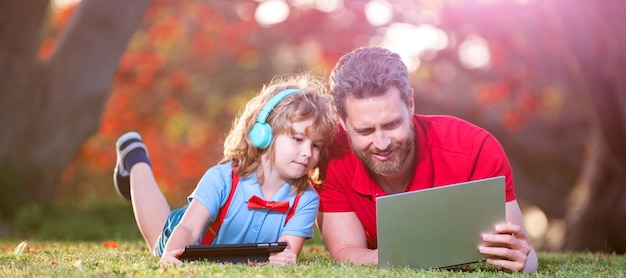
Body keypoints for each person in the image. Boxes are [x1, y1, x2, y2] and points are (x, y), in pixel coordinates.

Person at [315, 47, 538, 273]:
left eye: (392, 124)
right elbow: (346, 250)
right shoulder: (332, 157)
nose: (382, 144)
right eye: (364, 131)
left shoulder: (475, 148)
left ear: (411, 103)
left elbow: (520, 253)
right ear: (340, 119)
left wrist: (523, 261)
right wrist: (414, 256)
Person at [112, 73, 336, 265]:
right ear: (263, 134)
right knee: (159, 239)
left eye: (316, 145)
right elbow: (189, 228)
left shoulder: (306, 199)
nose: (308, 152)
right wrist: (171, 255)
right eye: (297, 139)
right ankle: (134, 157)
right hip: (189, 233)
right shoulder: (222, 178)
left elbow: (286, 250)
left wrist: (286, 259)